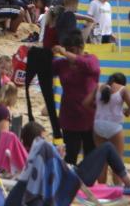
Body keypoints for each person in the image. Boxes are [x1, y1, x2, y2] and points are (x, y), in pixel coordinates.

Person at [51, 32, 100, 166]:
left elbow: (88, 66)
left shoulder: (91, 60)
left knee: (91, 156)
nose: (67, 54)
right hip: (69, 116)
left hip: (90, 116)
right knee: (71, 155)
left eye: (71, 50)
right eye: (66, 50)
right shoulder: (62, 64)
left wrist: (65, 53)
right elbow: (45, 68)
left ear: (81, 47)